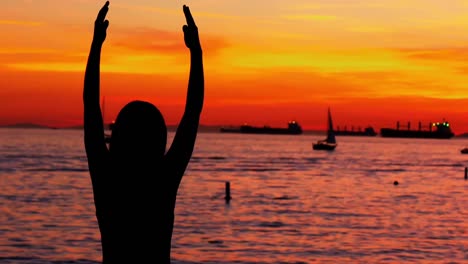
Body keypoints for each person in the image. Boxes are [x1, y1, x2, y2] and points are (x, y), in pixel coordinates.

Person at [83, 1, 204, 263]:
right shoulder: (162, 180)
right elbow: (193, 111)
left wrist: (96, 45)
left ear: (117, 140)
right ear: (158, 140)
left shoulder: (107, 179)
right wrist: (196, 51)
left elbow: (91, 107)